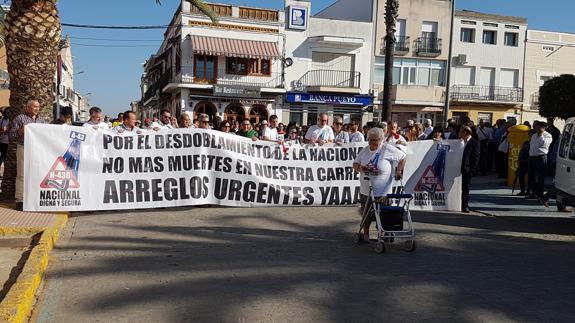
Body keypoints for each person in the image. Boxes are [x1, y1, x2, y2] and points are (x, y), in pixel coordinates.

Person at [353, 127, 406, 242]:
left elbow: (403, 157)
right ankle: (366, 235)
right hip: (366, 190)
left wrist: (399, 171)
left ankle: (382, 234)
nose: (372, 142)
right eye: (371, 139)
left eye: (375, 140)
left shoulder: (386, 149)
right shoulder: (365, 150)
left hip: (383, 191)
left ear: (381, 140)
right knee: (366, 214)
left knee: (383, 215)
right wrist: (360, 168)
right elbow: (355, 163)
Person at [10, 99, 45, 210]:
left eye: (38, 107)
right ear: (28, 107)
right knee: (22, 175)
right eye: (34, 106)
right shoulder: (20, 119)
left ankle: (34, 198)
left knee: (37, 174)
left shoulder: (41, 120)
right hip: (24, 148)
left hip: (37, 150)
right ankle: (20, 200)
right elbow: (11, 135)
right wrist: (21, 131)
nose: (37, 109)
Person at [526, 121, 552, 200]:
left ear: (542, 128)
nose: (535, 128)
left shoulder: (548, 135)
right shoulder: (534, 135)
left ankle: (540, 194)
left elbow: (543, 144)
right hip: (532, 157)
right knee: (531, 177)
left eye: (537, 127)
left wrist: (541, 135)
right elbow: (532, 146)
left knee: (540, 177)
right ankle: (533, 193)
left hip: (541, 157)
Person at [460, 125, 480, 213]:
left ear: (465, 133)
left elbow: (476, 157)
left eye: (460, 131)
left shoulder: (474, 143)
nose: (458, 133)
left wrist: (471, 170)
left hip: (466, 169)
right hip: (456, 168)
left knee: (465, 188)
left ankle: (464, 205)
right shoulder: (458, 142)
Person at [0, 108, 11, 177]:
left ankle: (6, 174)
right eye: (6, 112)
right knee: (3, 158)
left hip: (10, 143)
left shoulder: (12, 120)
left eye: (9, 112)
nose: (7, 114)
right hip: (2, 142)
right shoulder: (1, 120)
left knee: (6, 158)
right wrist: (3, 131)